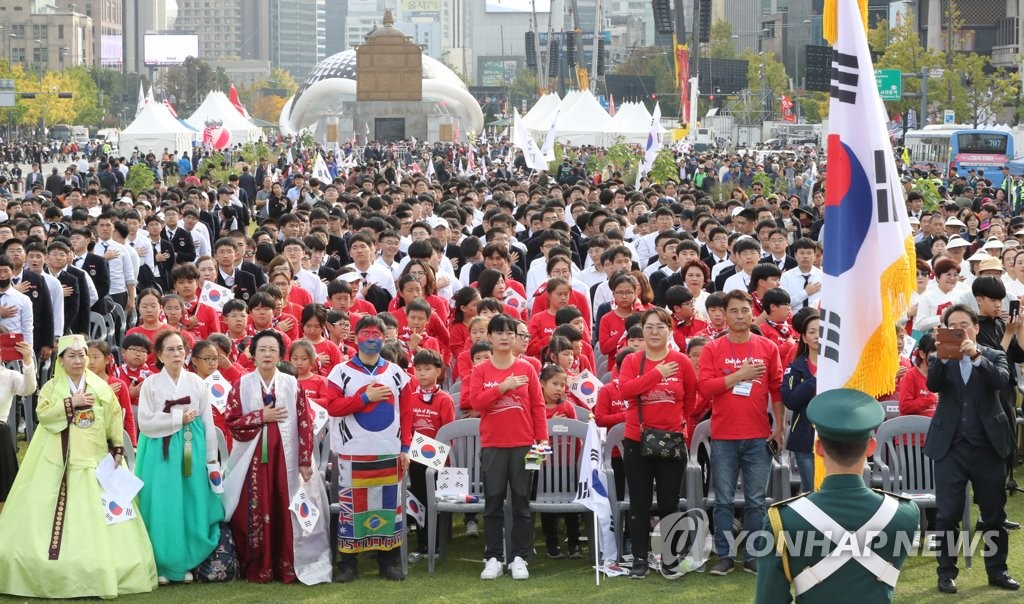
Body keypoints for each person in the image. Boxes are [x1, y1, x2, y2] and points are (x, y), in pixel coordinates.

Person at [0, 334, 158, 599]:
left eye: (82, 355)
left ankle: (104, 567)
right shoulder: (52, 388)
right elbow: (44, 416)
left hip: (96, 461)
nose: (78, 360)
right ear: (61, 360)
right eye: (71, 356)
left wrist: (117, 447)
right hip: (56, 461)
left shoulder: (100, 387)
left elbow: (113, 417)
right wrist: (70, 404)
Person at [755, 389, 921, 603]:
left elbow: (769, 599)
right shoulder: (905, 513)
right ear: (871, 447)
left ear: (819, 448)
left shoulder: (782, 519)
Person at [222, 330, 332, 585]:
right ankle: (260, 564)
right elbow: (232, 422)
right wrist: (261, 417)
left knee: (288, 505)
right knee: (255, 506)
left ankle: (287, 564)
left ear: (281, 355)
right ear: (253, 354)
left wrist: (305, 460)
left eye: (272, 349)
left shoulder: (292, 384)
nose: (267, 354)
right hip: (252, 460)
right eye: (262, 349)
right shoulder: (241, 385)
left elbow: (305, 422)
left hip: (287, 457)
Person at [924, 304, 1019, 593]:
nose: (960, 330)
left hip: (988, 445)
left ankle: (997, 571)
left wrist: (975, 356)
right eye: (953, 325)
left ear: (976, 328)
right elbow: (933, 384)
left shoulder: (994, 355)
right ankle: (946, 573)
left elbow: (1001, 381)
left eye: (965, 324)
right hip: (950, 446)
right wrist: (942, 354)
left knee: (993, 513)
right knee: (947, 513)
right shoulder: (939, 358)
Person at [697, 290, 785, 576]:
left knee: (756, 501)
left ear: (752, 313)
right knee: (722, 499)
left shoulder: (768, 347)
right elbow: (705, 388)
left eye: (744, 310)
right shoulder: (712, 348)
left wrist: (779, 427)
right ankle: (724, 555)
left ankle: (752, 556)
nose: (739, 316)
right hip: (723, 436)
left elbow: (777, 389)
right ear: (724, 314)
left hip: (759, 435)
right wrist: (739, 376)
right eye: (733, 310)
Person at [323, 315, 413, 582]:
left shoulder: (397, 374)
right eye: (366, 333)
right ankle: (348, 563)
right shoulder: (340, 372)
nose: (371, 338)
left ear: (384, 339)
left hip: (389, 449)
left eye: (376, 334)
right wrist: (365, 398)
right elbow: (333, 406)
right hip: (353, 451)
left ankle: (389, 561)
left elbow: (406, 414)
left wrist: (405, 447)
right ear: (356, 337)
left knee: (390, 505)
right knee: (352, 507)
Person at [135, 331, 224, 585]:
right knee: (162, 503)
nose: (176, 354)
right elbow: (146, 422)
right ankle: (162, 563)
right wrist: (176, 419)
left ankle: (185, 562)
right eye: (170, 350)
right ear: (160, 355)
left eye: (180, 349)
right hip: (159, 449)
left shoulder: (196, 382)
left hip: (191, 447)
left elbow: (207, 422)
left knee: (189, 500)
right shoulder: (151, 384)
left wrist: (210, 459)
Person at [465, 314, 547, 581]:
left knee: (522, 503)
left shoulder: (527, 369)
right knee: (492, 504)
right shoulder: (480, 370)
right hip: (493, 445)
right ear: (489, 337)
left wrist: (542, 440)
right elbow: (476, 403)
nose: (504, 337)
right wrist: (502, 387)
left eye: (509, 333)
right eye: (498, 332)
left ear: (516, 338)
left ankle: (520, 557)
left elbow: (538, 406)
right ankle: (493, 557)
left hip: (523, 444)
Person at [617, 307, 697, 579]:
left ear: (669, 331)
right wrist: (657, 373)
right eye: (649, 327)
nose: (654, 332)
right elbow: (626, 391)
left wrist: (678, 423)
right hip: (637, 440)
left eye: (660, 327)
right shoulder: (632, 361)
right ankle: (640, 558)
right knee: (639, 502)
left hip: (672, 440)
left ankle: (670, 558)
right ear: (642, 330)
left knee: (669, 502)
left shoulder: (682, 361)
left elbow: (690, 400)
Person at [780, 309, 819, 493]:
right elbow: (790, 400)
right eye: (812, 332)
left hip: (834, 437)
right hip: (805, 435)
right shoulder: (796, 367)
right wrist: (814, 380)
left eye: (822, 331)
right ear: (803, 338)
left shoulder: (839, 367)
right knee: (810, 488)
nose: (818, 336)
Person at [0, 338, 35, 505]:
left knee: (3, 496)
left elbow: (28, 389)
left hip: (0, 435)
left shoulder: (10, 376)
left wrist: (27, 360)